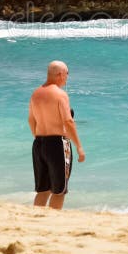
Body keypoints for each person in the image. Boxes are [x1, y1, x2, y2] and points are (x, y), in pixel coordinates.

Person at [27, 60, 85, 210]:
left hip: (39, 144)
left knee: (43, 190)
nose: (67, 77)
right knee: (59, 190)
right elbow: (68, 121)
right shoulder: (60, 95)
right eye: (67, 74)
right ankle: (53, 220)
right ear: (60, 74)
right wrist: (79, 146)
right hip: (58, 144)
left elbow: (31, 120)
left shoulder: (36, 93)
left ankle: (35, 219)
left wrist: (38, 138)